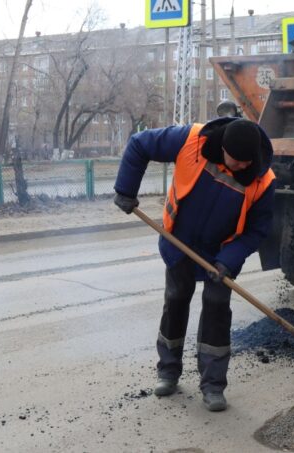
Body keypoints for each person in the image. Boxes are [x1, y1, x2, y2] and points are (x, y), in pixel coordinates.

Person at [113, 117, 275, 412]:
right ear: (222, 145)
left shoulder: (264, 180)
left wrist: (229, 260)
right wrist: (126, 189)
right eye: (234, 160)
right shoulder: (191, 140)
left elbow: (257, 231)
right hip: (179, 241)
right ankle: (168, 371)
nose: (239, 167)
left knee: (216, 309)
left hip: (221, 254)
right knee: (175, 300)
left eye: (245, 162)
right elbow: (139, 145)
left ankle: (213, 385)